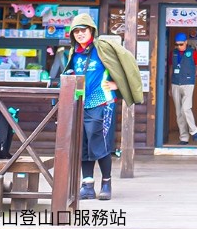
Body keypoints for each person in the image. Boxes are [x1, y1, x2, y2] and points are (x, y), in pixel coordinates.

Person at [57, 13, 142, 201]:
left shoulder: (102, 48)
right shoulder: (74, 52)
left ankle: (106, 182)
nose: (80, 34)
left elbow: (126, 64)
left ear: (91, 31)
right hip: (80, 103)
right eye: (76, 31)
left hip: (102, 102)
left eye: (83, 30)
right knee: (83, 143)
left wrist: (118, 85)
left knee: (100, 141)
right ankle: (87, 185)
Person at [169, 32, 197, 145]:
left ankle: (194, 131)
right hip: (175, 83)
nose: (179, 46)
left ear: (186, 42)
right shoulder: (173, 53)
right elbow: (171, 68)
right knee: (179, 113)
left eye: (181, 44)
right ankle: (184, 137)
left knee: (186, 108)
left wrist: (191, 76)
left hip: (188, 84)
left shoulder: (193, 53)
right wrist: (170, 85)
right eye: (177, 44)